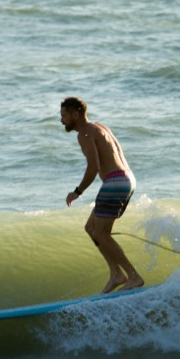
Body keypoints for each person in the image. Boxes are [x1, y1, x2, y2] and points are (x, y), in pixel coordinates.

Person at [61, 97, 144, 293]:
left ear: (75, 114)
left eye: (64, 115)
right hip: (126, 179)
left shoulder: (85, 133)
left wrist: (77, 192)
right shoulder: (100, 127)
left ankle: (133, 276)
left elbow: (93, 167)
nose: (61, 120)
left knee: (101, 233)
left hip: (115, 182)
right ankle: (116, 274)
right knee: (91, 228)